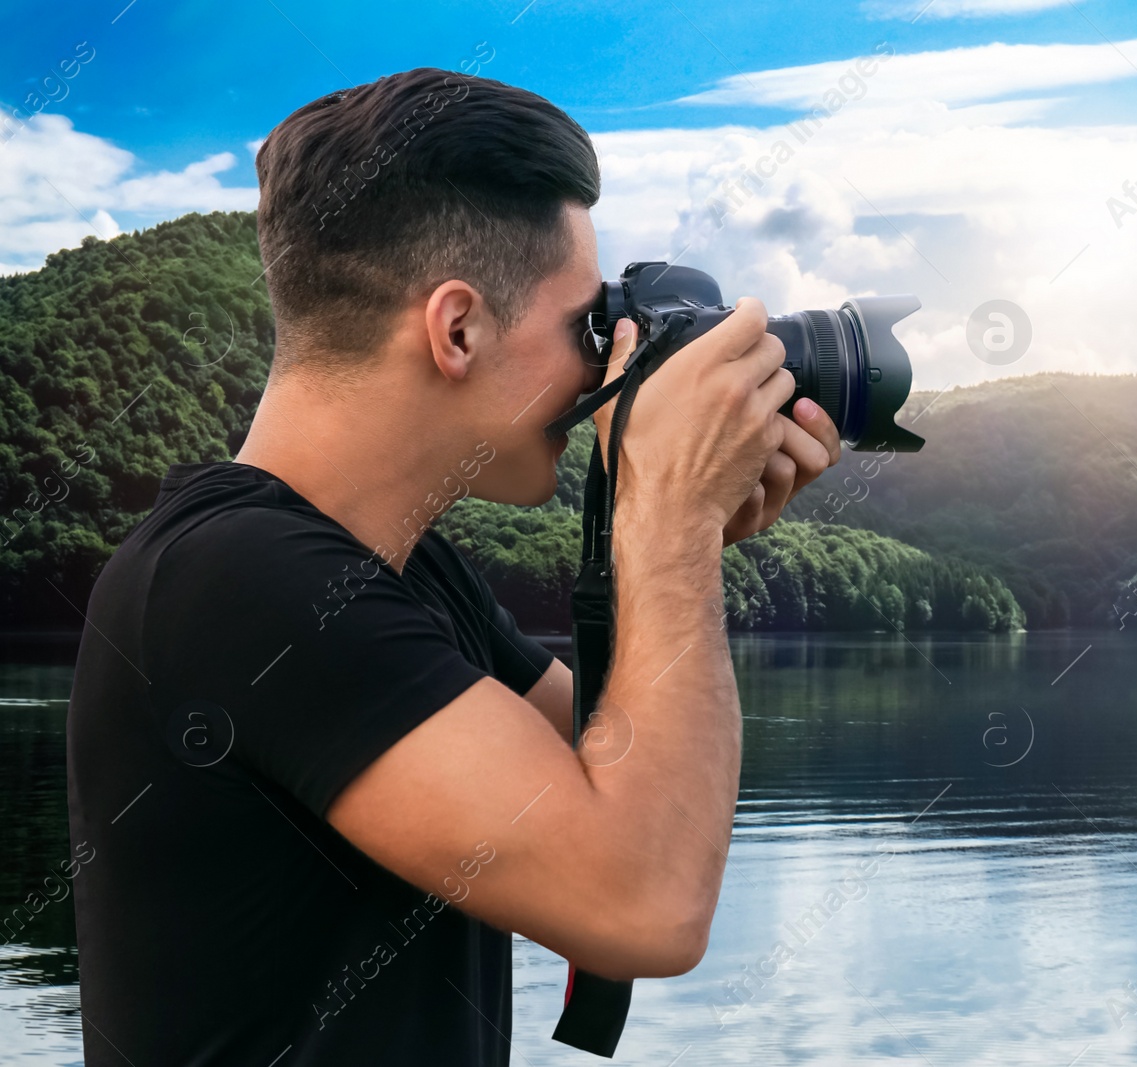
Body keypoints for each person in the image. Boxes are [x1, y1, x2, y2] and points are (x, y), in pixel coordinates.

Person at [65, 67, 841, 1065]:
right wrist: (669, 530)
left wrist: (672, 524)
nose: (604, 367)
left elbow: (616, 770)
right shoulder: (237, 579)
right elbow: (644, 901)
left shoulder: (391, 573)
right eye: (586, 328)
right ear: (457, 328)